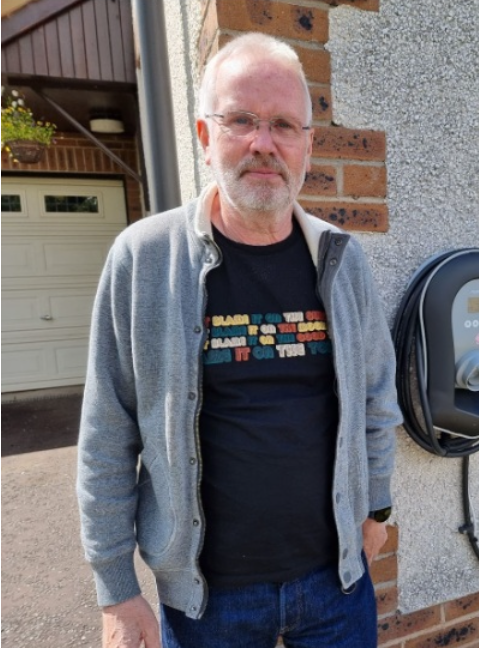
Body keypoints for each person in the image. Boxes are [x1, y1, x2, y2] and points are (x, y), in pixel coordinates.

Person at [77, 32, 402, 648]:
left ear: (308, 145)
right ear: (205, 137)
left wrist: (376, 510)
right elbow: (106, 435)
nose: (263, 142)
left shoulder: (341, 260)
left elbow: (376, 400)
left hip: (334, 585)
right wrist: (117, 590)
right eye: (242, 120)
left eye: (283, 125)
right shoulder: (144, 260)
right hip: (208, 605)